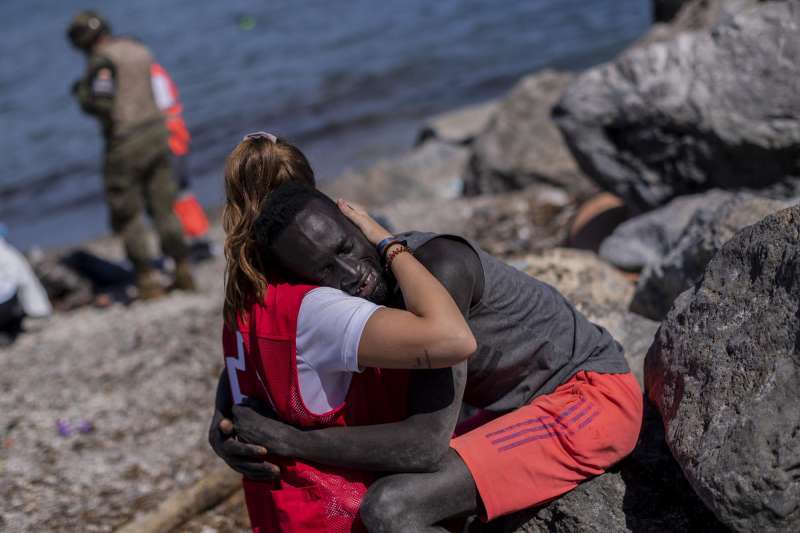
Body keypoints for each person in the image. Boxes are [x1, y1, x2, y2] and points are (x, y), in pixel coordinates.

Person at [210, 139, 643, 531]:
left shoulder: (438, 267)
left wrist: (293, 442)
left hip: (587, 398)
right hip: (518, 408)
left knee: (391, 507)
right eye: (324, 272)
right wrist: (225, 423)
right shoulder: (345, 292)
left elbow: (424, 447)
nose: (350, 276)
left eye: (346, 249)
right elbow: (255, 351)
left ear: (355, 221)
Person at [215, 133, 475, 531]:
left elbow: (243, 381)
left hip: (281, 515)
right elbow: (451, 341)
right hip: (341, 513)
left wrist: (222, 423)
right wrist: (390, 246)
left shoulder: (243, 302)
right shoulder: (316, 309)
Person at [67, 10, 195, 299]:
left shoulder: (103, 61)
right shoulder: (138, 49)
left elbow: (101, 103)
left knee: (127, 213)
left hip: (126, 141)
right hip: (157, 133)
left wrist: (81, 94)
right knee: (164, 206)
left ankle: (147, 279)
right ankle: (182, 267)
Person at [150, 62, 213, 257]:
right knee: (181, 192)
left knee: (178, 192)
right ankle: (196, 237)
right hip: (173, 139)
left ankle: (197, 239)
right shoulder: (153, 72)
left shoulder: (151, 75)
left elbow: (163, 105)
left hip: (171, 141)